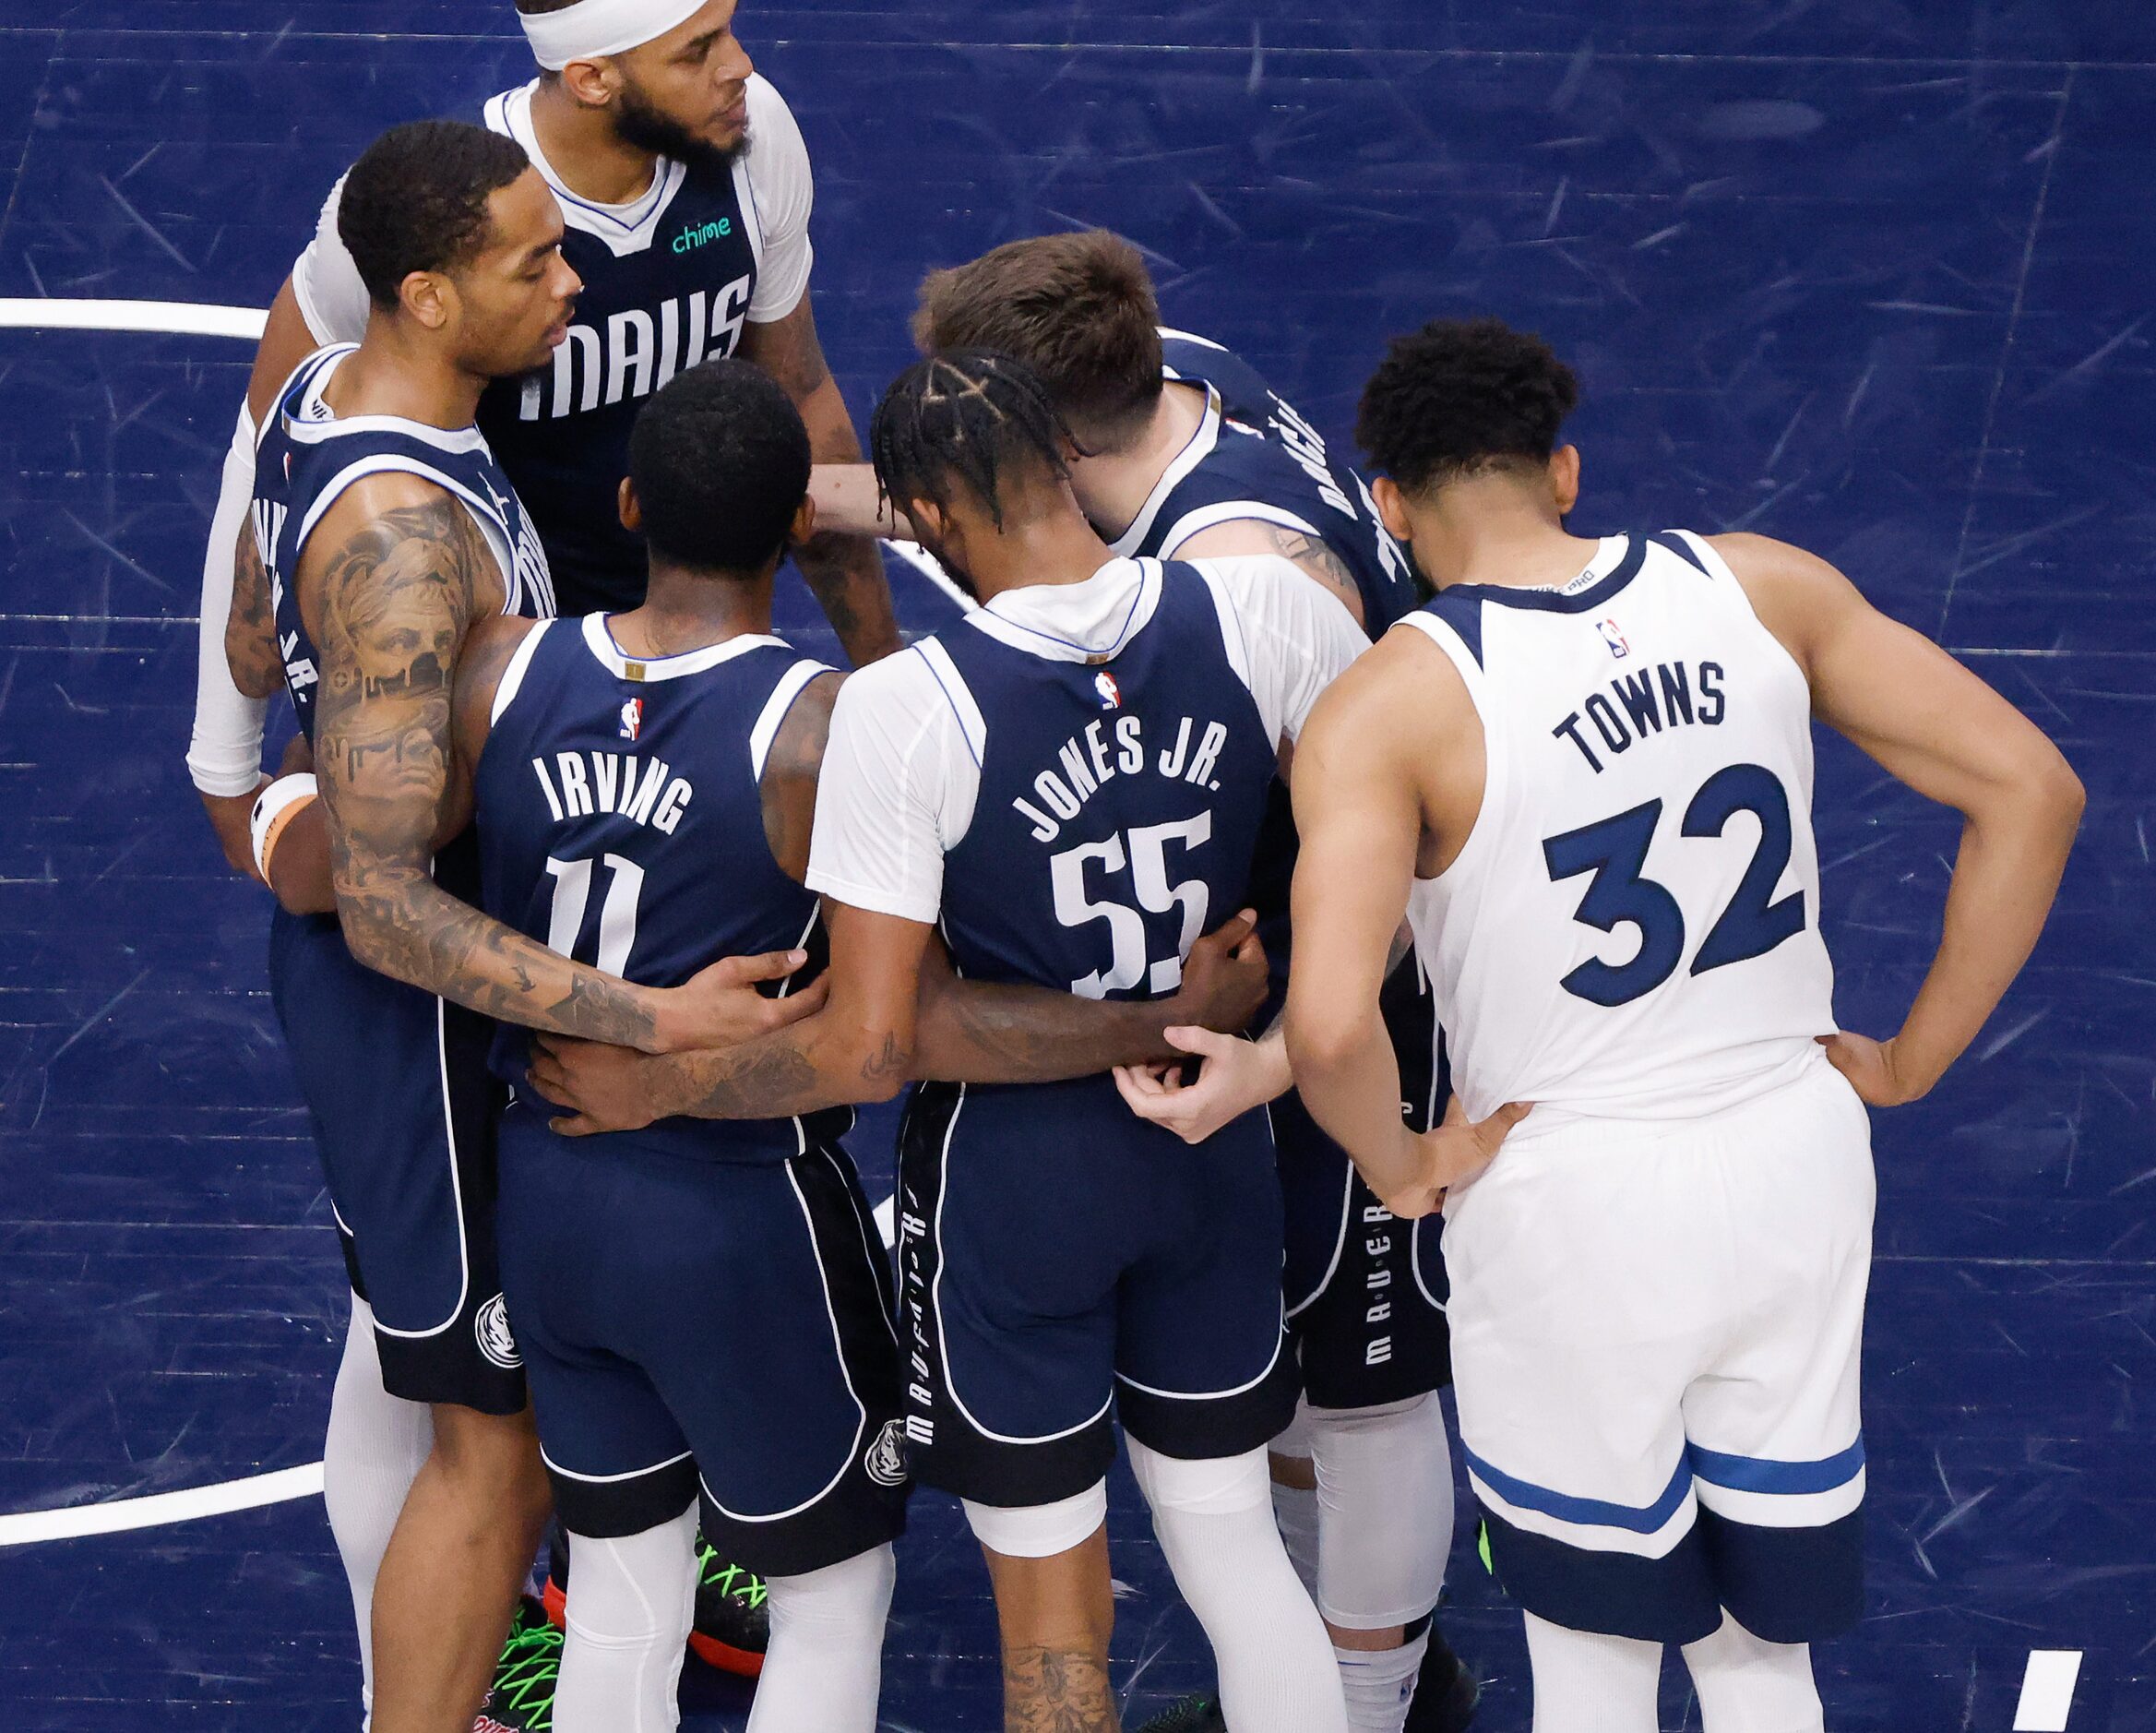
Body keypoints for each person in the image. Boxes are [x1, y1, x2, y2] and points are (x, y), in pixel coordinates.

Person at [530, 348, 1417, 1731]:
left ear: (924, 522)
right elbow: (1397, 860)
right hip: (1211, 1143)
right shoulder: (1267, 611)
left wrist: (660, 1086)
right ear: (1066, 460)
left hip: (1019, 1191)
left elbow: (883, 1042)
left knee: (1052, 1625)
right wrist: (1257, 1017)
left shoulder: (903, 712)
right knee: (1237, 1551)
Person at [1284, 317, 2083, 1732]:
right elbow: (2031, 789)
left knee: (1594, 1660)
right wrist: (1909, 1059)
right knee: (1763, 1654)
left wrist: (1402, 1164)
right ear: (1567, 471)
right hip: (1795, 1153)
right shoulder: (1761, 586)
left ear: (1390, 508)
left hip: (1574, 1202)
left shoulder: (1386, 706)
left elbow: (1334, 1023)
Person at [237, 121, 814, 1733]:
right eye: (532, 263)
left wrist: (252, 788)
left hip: (407, 977)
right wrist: (646, 1020)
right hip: (412, 1010)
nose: (571, 285)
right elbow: (385, 899)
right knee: (485, 1428)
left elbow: (242, 601)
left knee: (417, 1361)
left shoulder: (319, 393)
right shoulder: (409, 544)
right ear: (424, 293)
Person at [901, 230, 1472, 1733]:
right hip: (1279, 958)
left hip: (1360, 970)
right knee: (1279, 1386)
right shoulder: (1175, 382)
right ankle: (1353, 1678)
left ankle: (1376, 1704)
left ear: (1038, 437)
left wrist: (1293, 1037)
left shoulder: (1239, 567)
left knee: (1362, 1379)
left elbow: (1392, 826)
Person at [193, 0, 899, 881]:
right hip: (478, 674)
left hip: (680, 639)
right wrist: (224, 770)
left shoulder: (753, 143)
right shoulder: (435, 216)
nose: (741, 67)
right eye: (698, 50)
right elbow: (268, 457)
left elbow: (798, 397)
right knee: (405, 898)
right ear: (592, 76)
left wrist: (886, 681)